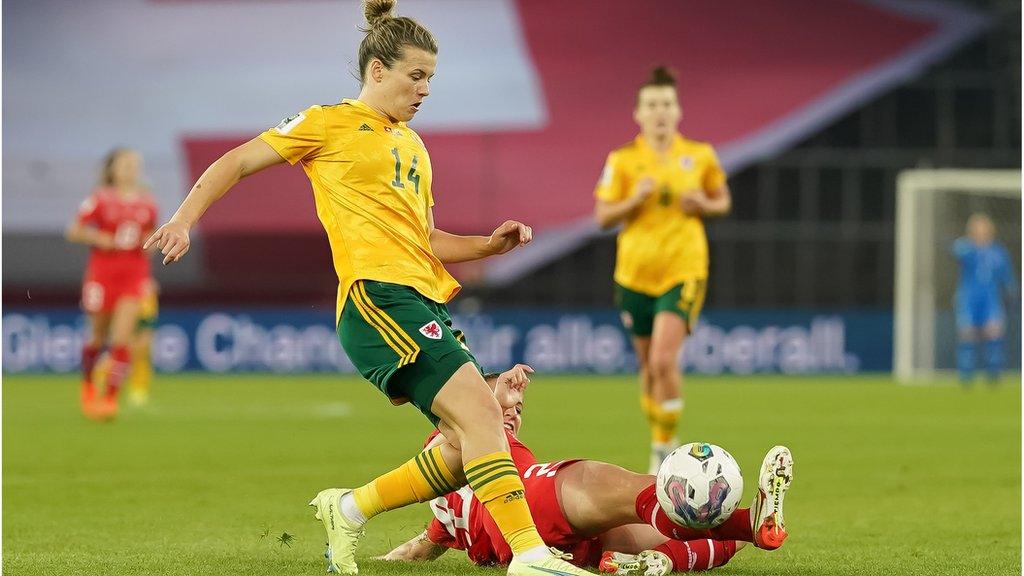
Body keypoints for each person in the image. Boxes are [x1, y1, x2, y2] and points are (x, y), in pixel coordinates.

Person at [144, 2, 590, 574]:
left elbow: (427, 239)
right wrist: (183, 218)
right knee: (483, 413)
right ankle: (530, 556)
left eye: (431, 77)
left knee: (460, 450)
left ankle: (349, 510)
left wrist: (489, 246)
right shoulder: (327, 123)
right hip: (377, 298)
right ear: (377, 70)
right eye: (416, 74)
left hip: (419, 300)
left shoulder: (413, 147)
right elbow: (236, 161)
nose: (426, 88)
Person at [380, 364, 793, 575]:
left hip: (564, 547)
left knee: (722, 535)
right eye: (505, 404)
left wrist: (383, 561)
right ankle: (718, 508)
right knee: (640, 492)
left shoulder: (446, 507)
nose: (512, 412)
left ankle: (682, 552)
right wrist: (493, 395)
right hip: (534, 502)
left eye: (519, 410)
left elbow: (422, 546)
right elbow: (461, 411)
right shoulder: (459, 434)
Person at [593, 66, 732, 473]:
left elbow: (721, 200)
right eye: (652, 105)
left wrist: (703, 205)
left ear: (678, 110)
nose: (660, 112)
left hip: (684, 268)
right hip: (634, 275)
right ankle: (661, 436)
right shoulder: (622, 160)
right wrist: (632, 200)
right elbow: (603, 216)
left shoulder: (700, 155)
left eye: (666, 104)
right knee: (646, 366)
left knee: (662, 360)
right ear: (638, 113)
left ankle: (663, 448)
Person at [66, 147, 158, 421]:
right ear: (113, 169)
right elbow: (74, 230)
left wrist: (150, 245)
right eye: (125, 163)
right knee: (97, 336)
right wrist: (99, 239)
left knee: (122, 339)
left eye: (134, 163)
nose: (131, 168)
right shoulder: (99, 199)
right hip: (102, 275)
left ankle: (109, 399)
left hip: (134, 275)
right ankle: (88, 387)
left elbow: (149, 238)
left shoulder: (148, 203)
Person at [953, 213, 1017, 384]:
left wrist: (1012, 291)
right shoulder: (966, 248)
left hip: (990, 300)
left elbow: (1007, 276)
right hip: (968, 299)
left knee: (994, 336)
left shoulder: (998, 252)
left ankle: (993, 377)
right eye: (976, 228)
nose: (980, 231)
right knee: (967, 337)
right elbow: (956, 251)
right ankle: (966, 379)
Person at [93, 277, 159, 406]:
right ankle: (101, 377)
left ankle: (139, 389)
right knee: (123, 346)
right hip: (129, 293)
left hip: (145, 298)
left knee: (144, 348)